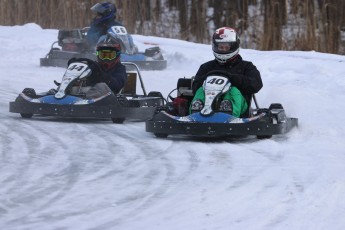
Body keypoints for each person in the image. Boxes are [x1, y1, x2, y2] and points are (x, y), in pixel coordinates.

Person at [190, 27, 263, 117]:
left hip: (239, 110)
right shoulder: (206, 67)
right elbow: (195, 87)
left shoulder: (246, 66)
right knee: (201, 90)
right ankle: (196, 111)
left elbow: (257, 84)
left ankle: (227, 110)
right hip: (207, 102)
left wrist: (233, 79)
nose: (223, 50)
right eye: (221, 47)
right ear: (215, 46)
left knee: (233, 90)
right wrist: (207, 80)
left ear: (234, 46)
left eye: (226, 47)